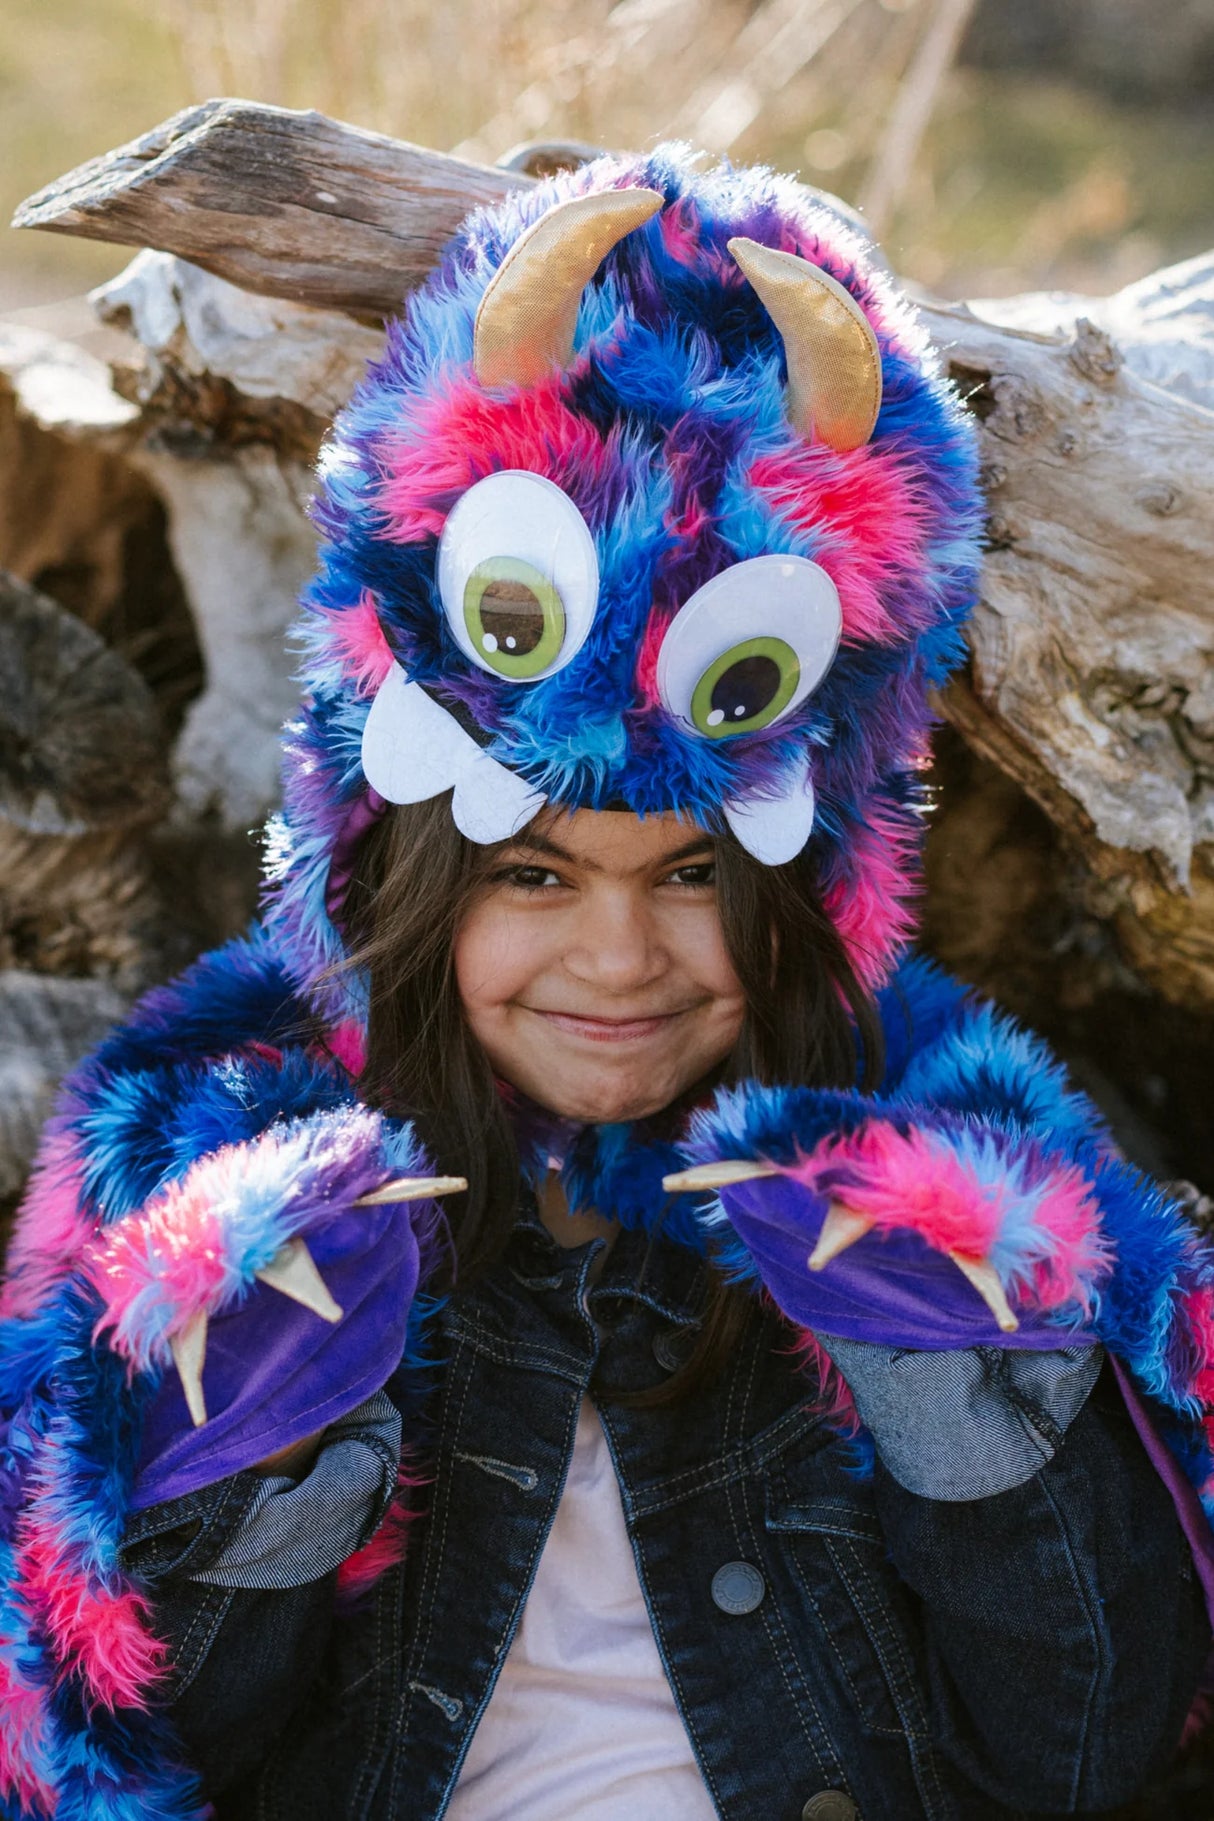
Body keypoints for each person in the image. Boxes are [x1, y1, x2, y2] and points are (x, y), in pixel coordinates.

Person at [0, 146, 1211, 1821]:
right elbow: (104, 1755)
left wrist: (968, 1410)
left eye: (696, 873)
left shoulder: (946, 1165)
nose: (622, 956)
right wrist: (257, 1475)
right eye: (533, 873)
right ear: (405, 864)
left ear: (806, 877)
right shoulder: (211, 1154)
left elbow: (1092, 1751)